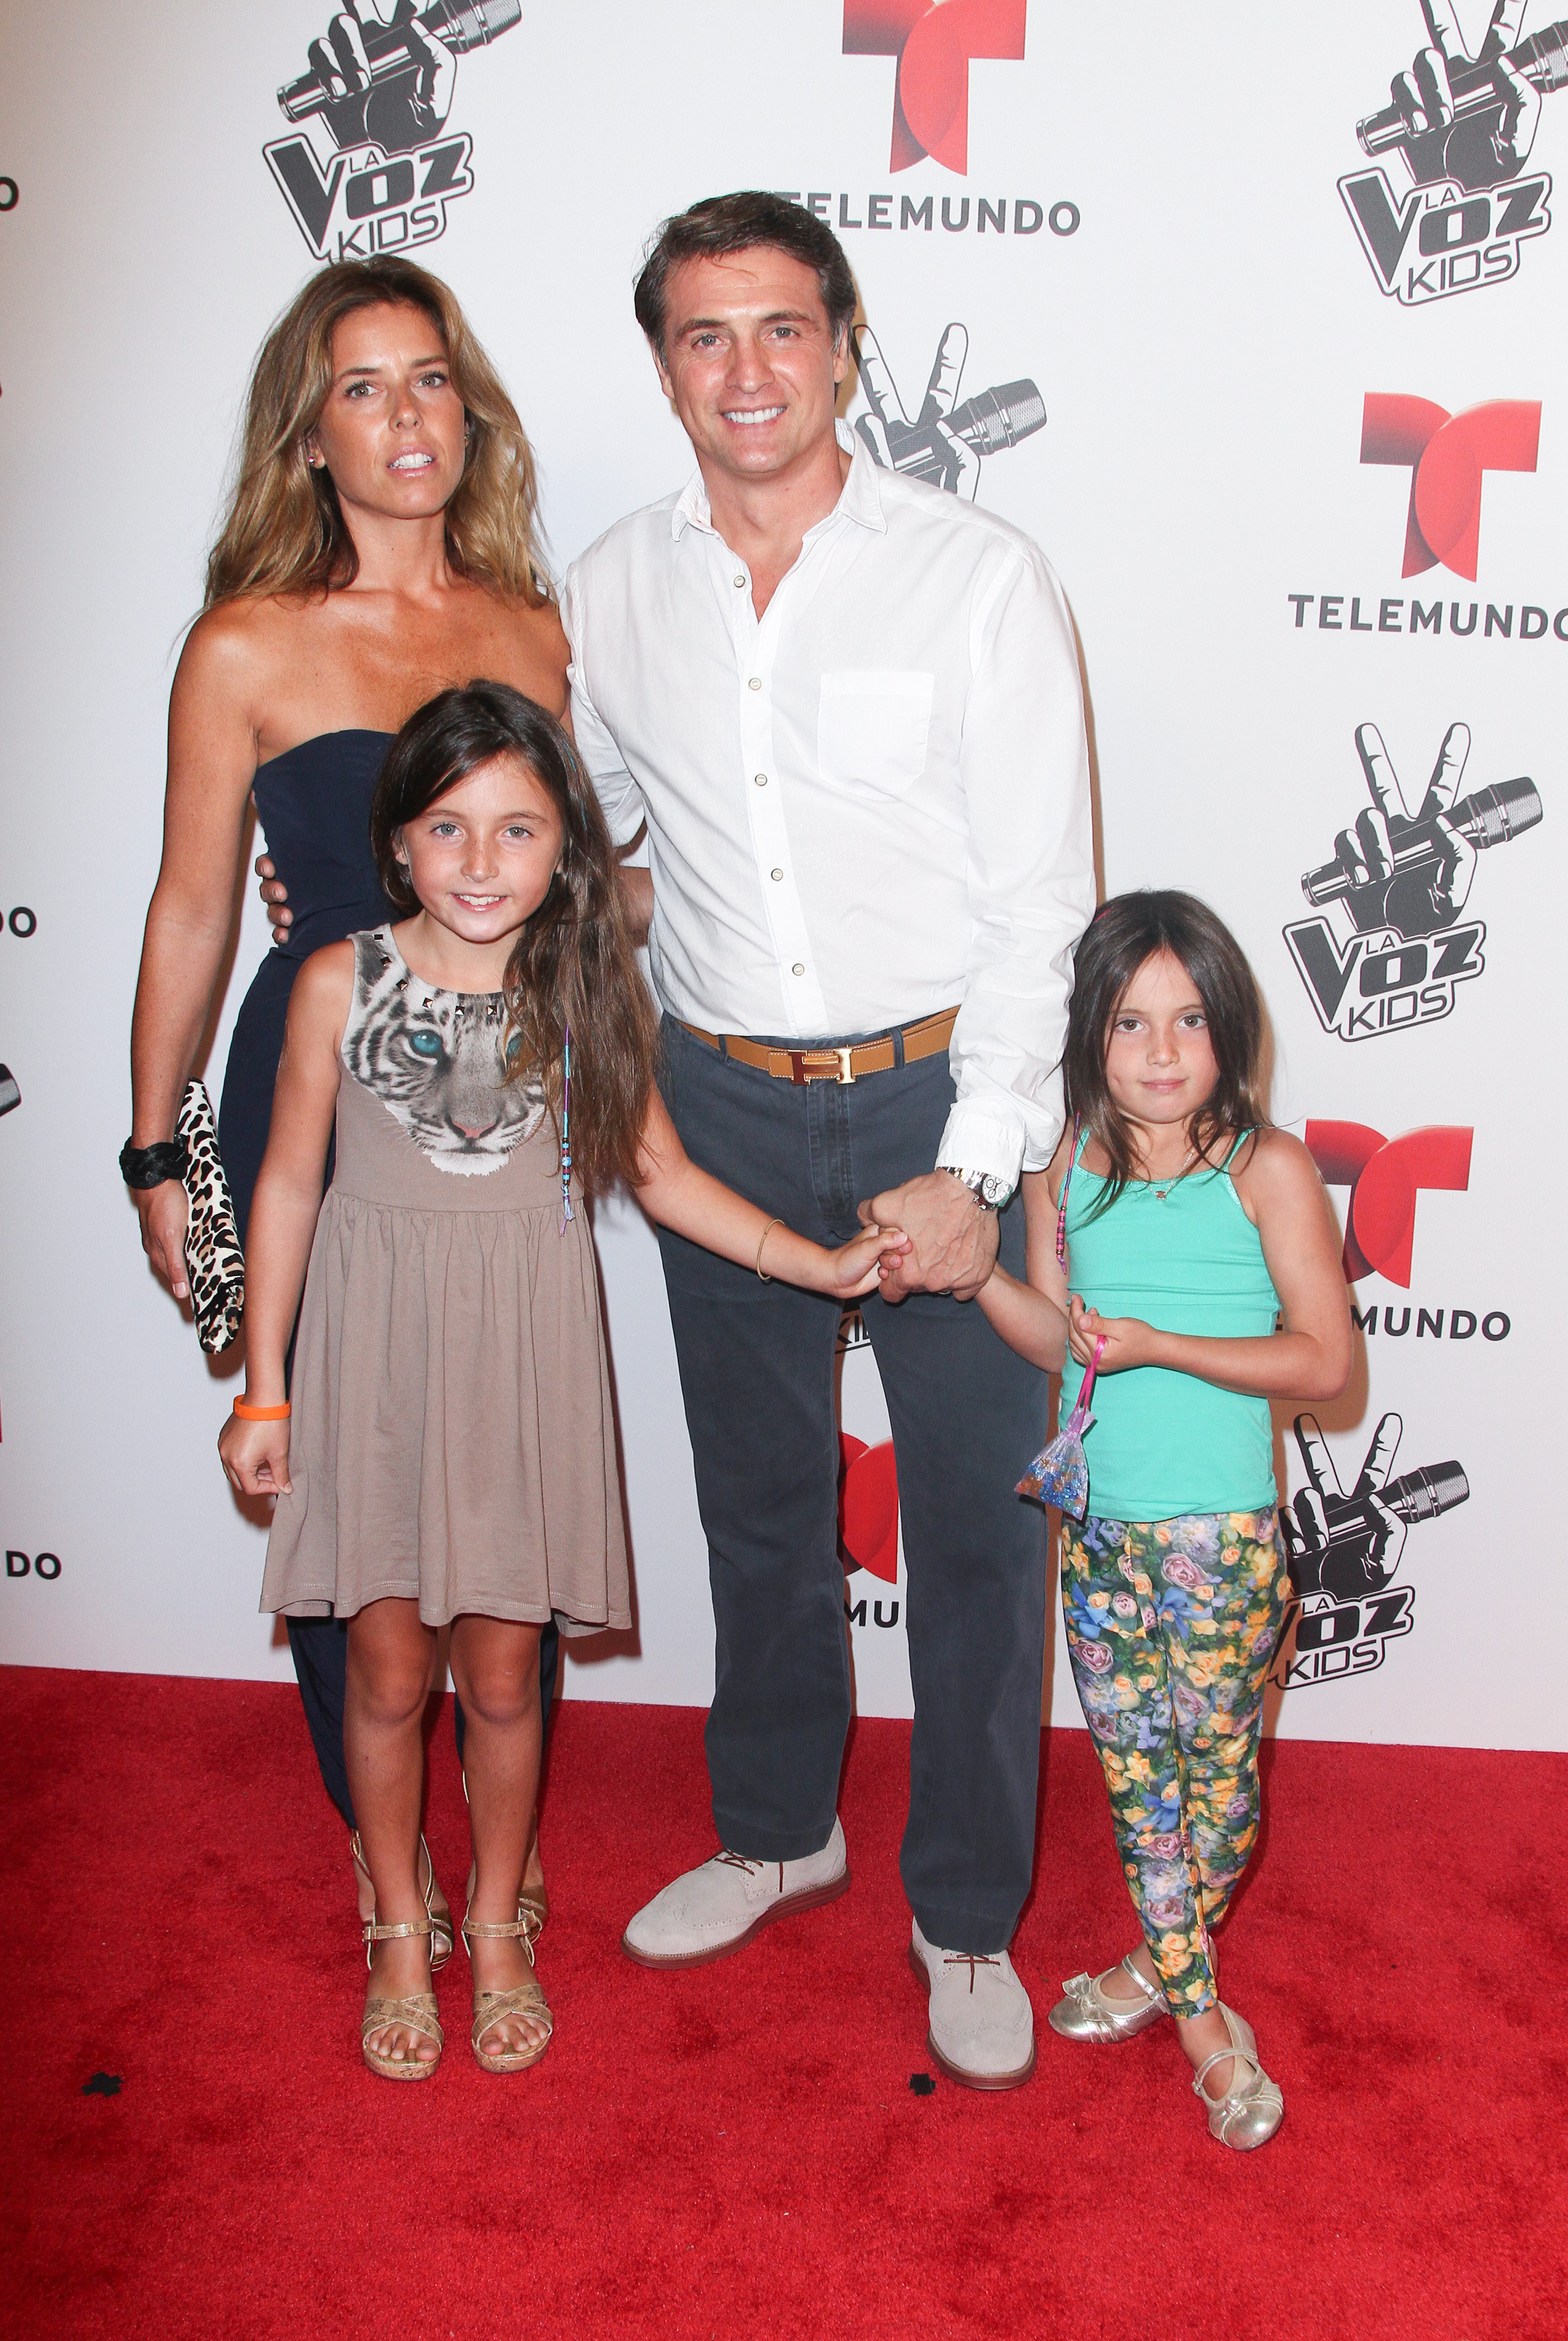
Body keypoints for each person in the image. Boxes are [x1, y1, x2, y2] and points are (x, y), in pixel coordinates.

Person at [562, 192, 1094, 2087]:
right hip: (714, 1100)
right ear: (663, 366)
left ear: (848, 344)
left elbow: (1044, 906)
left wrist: (981, 1157)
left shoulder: (977, 575)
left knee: (971, 1535)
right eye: (705, 337)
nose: (747, 372)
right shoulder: (610, 587)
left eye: (782, 329)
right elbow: (600, 841)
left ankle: (965, 1916)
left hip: (941, 1097)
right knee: (760, 1506)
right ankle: (781, 1829)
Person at [218, 682, 900, 2078]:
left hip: (521, 1361)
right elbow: (288, 1183)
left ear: (565, 849)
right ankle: (401, 1927)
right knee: (391, 1674)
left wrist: (812, 1261)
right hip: (375, 1360)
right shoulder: (333, 978)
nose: (481, 862)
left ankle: (500, 1918)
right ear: (397, 845)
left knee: (509, 1679)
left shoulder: (584, 983)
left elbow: (658, 1175)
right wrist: (266, 1388)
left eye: (517, 830)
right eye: (448, 829)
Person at [125, 256, 567, 1958]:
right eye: (364, 386)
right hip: (291, 1094)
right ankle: (380, 1853)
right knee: (322, 1468)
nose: (408, 417)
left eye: (432, 379)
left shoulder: (531, 628)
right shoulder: (246, 641)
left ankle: (488, 1842)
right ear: (307, 434)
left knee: (472, 1468)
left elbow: (557, 885)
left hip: (489, 1123)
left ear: (472, 408)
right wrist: (160, 1152)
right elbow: (189, 910)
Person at [976, 891, 1352, 2147]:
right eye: (1130, 1021)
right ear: (1088, 1030)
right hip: (1099, 1539)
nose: (1158, 1050)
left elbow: (1324, 1370)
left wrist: (1156, 1348)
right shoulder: (1063, 1162)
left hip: (1222, 1546)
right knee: (1140, 1792)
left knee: (1223, 1804)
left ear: (1227, 1029)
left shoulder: (1269, 1169)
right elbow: (1052, 1337)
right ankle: (1202, 2022)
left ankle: (1152, 1965)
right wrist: (979, 1277)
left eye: (1188, 1019)